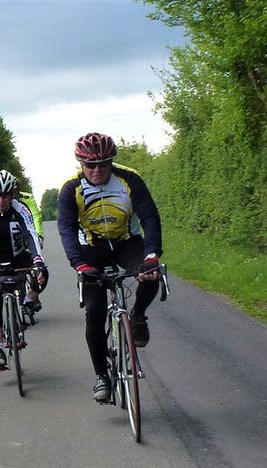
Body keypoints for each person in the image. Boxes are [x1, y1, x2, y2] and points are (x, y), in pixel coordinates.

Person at [56, 132, 163, 402]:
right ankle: (101, 375)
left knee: (151, 274)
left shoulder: (130, 179)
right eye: (90, 165)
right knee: (94, 311)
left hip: (127, 242)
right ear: (80, 163)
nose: (97, 170)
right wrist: (78, 264)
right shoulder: (71, 188)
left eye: (103, 163)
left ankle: (137, 315)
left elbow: (149, 217)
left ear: (112, 161)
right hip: (91, 249)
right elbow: (66, 229)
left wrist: (151, 254)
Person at [0, 169, 48, 371]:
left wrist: (37, 259)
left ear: (12, 194)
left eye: (5, 195)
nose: (1, 200)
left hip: (19, 255)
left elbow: (31, 234)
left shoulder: (21, 209)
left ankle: (27, 302)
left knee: (43, 275)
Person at [17, 184, 44, 249]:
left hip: (25, 229)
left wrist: (39, 235)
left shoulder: (27, 198)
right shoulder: (0, 200)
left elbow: (36, 216)